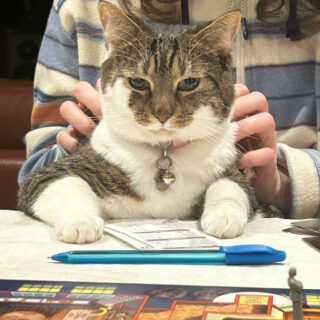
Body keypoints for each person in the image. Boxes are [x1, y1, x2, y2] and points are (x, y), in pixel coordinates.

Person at [18, 0, 320, 219]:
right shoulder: (77, 8)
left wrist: (282, 180)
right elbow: (35, 175)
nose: (162, 111)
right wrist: (87, 148)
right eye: (139, 82)